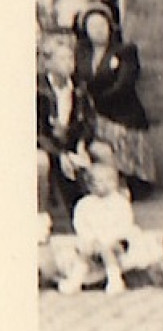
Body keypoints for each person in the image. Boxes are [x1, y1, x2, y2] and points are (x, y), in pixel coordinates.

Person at [75, 0, 156, 198]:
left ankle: (129, 181)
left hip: (121, 112)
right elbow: (78, 80)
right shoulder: (82, 53)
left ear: (110, 27)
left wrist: (96, 98)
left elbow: (124, 84)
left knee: (117, 135)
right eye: (93, 26)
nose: (98, 31)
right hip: (92, 113)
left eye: (102, 25)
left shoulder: (125, 51)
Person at [37, 32, 95, 225]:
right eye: (62, 58)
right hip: (47, 146)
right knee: (41, 163)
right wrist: (61, 154)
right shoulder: (38, 91)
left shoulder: (79, 87)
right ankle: (41, 218)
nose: (69, 63)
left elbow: (88, 121)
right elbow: (38, 133)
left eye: (71, 57)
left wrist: (81, 144)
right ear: (48, 63)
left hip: (72, 144)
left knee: (103, 153)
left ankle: (98, 212)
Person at [56, 161, 139, 294]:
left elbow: (125, 224)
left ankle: (115, 279)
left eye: (109, 180)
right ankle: (75, 280)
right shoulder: (84, 204)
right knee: (84, 253)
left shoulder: (120, 203)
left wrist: (107, 239)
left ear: (116, 183)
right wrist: (90, 239)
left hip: (116, 240)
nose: (105, 185)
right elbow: (81, 224)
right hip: (93, 241)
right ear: (89, 185)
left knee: (106, 249)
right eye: (99, 181)